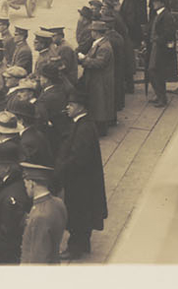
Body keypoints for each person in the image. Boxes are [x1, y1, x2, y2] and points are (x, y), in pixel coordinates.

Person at [54, 93, 107, 260]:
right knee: (84, 213)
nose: (68, 107)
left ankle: (75, 248)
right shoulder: (84, 124)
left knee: (77, 214)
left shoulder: (83, 128)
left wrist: (60, 169)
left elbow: (78, 158)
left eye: (71, 104)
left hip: (80, 182)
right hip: (85, 180)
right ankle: (83, 244)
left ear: (81, 107)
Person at [0, 141, 31, 263]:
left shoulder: (13, 194)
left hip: (2, 255)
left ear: (6, 167)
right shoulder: (8, 182)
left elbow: (8, 231)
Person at [19, 163, 67, 264]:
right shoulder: (58, 203)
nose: (25, 187)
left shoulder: (39, 217)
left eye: (25, 183)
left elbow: (38, 258)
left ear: (32, 184)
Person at [78, 20, 116, 134]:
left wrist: (83, 59)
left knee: (100, 104)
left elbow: (99, 63)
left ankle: (101, 129)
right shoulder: (99, 43)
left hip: (100, 80)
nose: (91, 33)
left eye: (92, 31)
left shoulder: (104, 47)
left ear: (97, 32)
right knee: (98, 104)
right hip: (97, 79)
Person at [148, 0, 178, 107]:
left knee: (155, 71)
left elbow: (169, 33)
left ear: (162, 3)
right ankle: (159, 95)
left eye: (156, 2)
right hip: (156, 46)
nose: (154, 3)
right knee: (154, 71)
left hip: (161, 48)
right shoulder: (159, 14)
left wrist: (157, 39)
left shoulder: (167, 16)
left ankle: (162, 98)